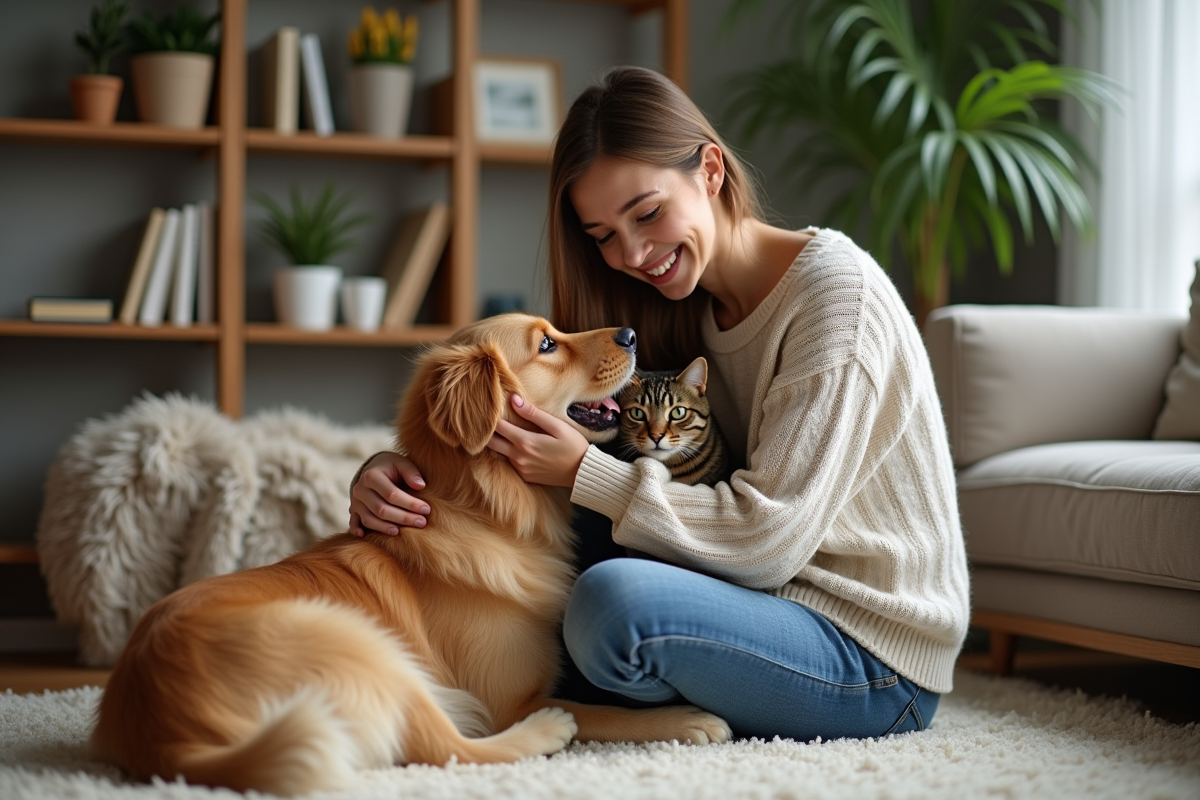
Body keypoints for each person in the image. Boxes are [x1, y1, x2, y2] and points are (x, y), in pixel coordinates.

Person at [349, 66, 970, 742]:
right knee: (507, 546)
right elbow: (518, 420)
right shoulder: (678, 300)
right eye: (603, 235)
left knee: (614, 605)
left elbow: (768, 541)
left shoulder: (835, 305)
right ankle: (451, 684)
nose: (633, 253)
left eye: (646, 213)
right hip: (749, 598)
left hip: (866, 653)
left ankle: (574, 688)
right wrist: (407, 475)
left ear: (710, 170)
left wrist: (584, 472)